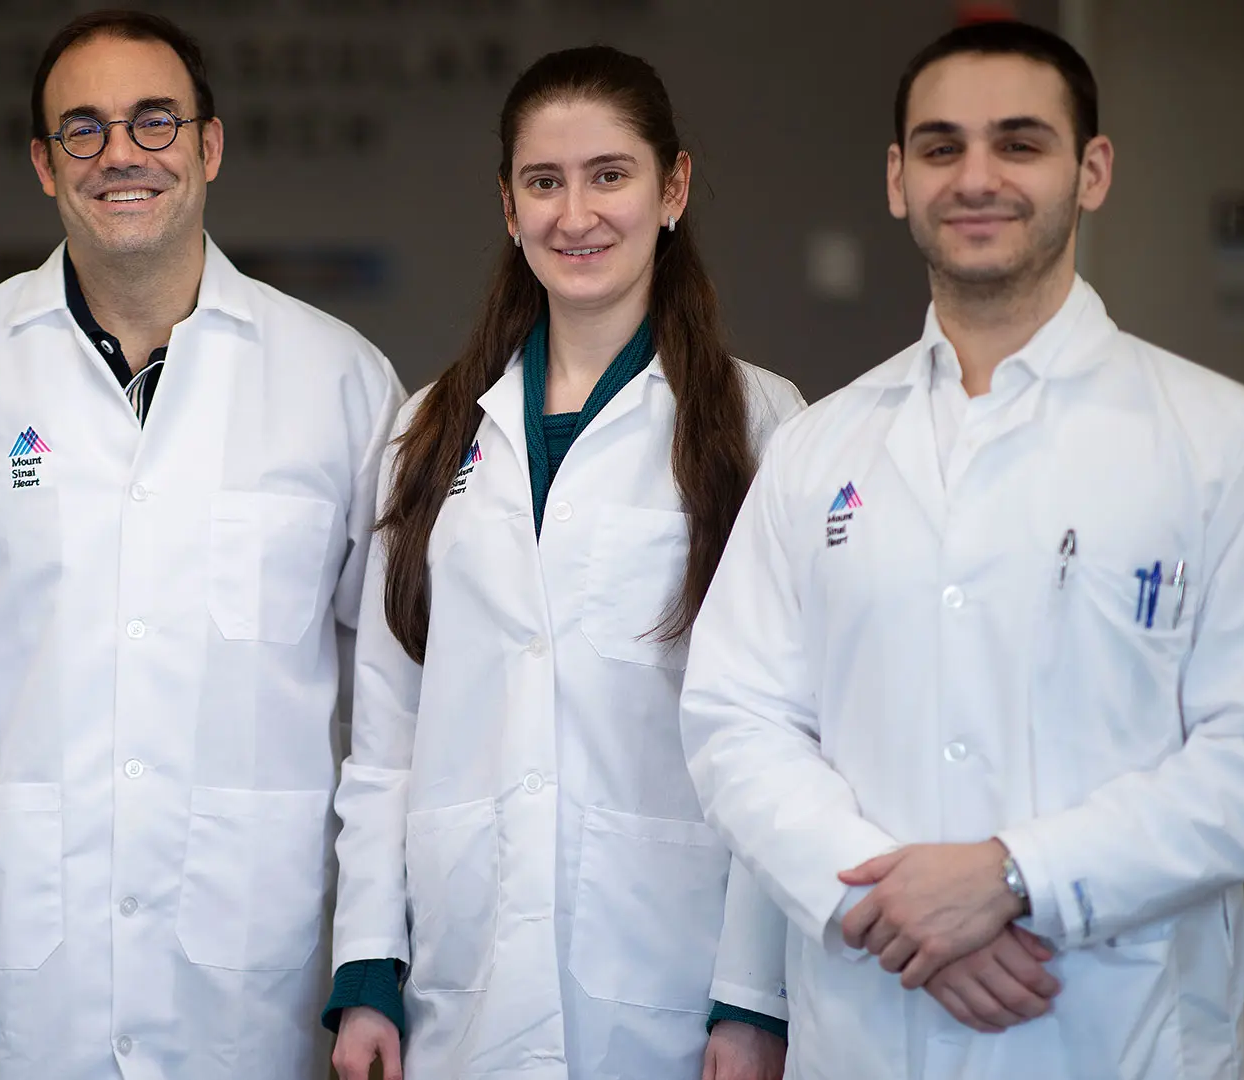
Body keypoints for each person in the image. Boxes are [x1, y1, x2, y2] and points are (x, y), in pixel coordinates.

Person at [0, 10, 403, 1079]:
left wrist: (376, 955)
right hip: (12, 977)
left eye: (155, 122)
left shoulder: (339, 384)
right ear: (45, 166)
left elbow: (392, 708)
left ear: (210, 146)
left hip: (250, 979)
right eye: (84, 132)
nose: (123, 156)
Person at [680, 19, 1244, 1079]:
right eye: (941, 148)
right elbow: (736, 717)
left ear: (1093, 171)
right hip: (870, 1022)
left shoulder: (1217, 443)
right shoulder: (820, 449)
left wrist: (1016, 876)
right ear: (898, 179)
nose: (976, 176)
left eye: (1019, 144)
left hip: (1119, 1034)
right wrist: (888, 906)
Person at [327, 46, 803, 1080]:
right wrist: (368, 964)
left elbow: (787, 734)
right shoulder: (429, 429)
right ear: (507, 205)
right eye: (544, 182)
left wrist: (753, 997)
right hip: (468, 971)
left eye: (610, 175)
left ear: (672, 187)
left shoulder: (762, 425)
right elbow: (388, 725)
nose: (575, 214)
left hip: (674, 971)